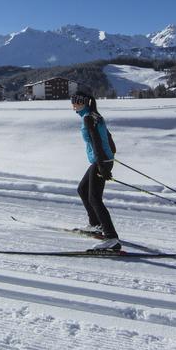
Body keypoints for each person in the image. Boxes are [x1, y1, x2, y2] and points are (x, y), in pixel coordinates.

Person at [71, 91, 121, 251]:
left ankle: (111, 238)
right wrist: (111, 155)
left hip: (100, 161)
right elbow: (109, 136)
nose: (73, 106)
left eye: (75, 103)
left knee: (94, 199)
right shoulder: (95, 115)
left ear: (82, 103)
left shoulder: (88, 118)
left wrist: (102, 164)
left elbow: (96, 141)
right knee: (82, 189)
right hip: (103, 160)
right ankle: (96, 224)